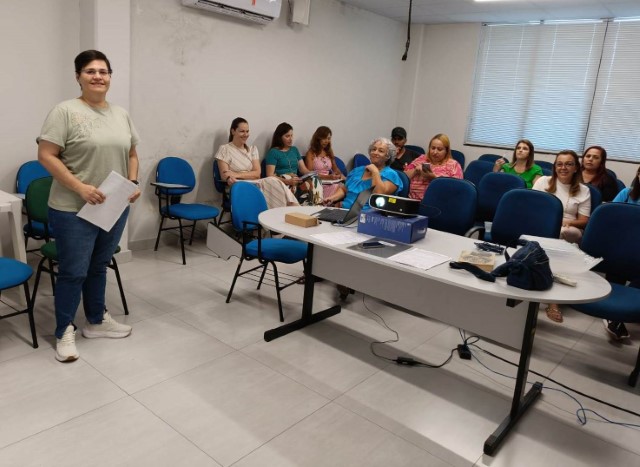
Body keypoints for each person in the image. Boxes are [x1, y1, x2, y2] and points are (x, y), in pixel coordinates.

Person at [37, 50, 139, 362]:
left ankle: (96, 320)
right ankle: (64, 330)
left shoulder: (121, 114)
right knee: (73, 272)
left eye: (103, 71)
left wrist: (132, 182)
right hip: (72, 208)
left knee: (98, 266)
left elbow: (132, 152)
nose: (98, 76)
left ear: (110, 76)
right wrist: (80, 187)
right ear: (78, 77)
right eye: (90, 71)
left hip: (114, 205)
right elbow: (46, 154)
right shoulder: (65, 111)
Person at [532, 150, 591, 323]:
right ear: (554, 166)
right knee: (550, 244)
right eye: (559, 164)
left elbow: (584, 221)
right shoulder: (543, 182)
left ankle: (553, 302)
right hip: (543, 225)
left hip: (570, 230)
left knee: (561, 235)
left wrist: (564, 222)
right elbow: (532, 207)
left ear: (576, 168)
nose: (563, 167)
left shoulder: (583, 190)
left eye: (568, 164)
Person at [215, 117, 298, 209]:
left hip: (255, 182)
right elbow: (224, 175)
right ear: (233, 131)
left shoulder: (252, 149)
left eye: (247, 131)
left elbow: (257, 174)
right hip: (237, 185)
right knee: (271, 182)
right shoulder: (224, 149)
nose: (245, 134)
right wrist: (247, 175)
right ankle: (279, 214)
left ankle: (290, 210)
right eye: (242, 131)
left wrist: (235, 174)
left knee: (273, 180)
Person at [603, 165, 640, 340]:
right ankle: (612, 311)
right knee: (617, 257)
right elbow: (611, 217)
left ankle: (622, 311)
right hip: (622, 242)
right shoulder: (627, 193)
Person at [323, 137, 403, 208]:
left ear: (387, 157)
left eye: (380, 151)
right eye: (373, 149)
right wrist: (332, 198)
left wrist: (375, 172)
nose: (375, 152)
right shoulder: (357, 171)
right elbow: (344, 190)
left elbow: (379, 194)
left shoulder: (392, 175)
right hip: (344, 213)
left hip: (367, 217)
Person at [265, 122, 322, 205]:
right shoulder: (273, 152)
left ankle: (317, 206)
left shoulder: (294, 150)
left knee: (315, 178)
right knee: (290, 179)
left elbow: (303, 169)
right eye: (287, 136)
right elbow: (270, 175)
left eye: (291, 136)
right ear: (279, 137)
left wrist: (313, 174)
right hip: (283, 181)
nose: (291, 139)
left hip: (296, 180)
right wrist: (287, 181)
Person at [404, 133, 463, 201]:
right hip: (412, 201)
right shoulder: (421, 159)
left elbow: (456, 189)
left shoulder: (453, 165)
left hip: (437, 203)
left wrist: (433, 177)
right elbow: (403, 178)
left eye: (439, 149)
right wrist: (415, 171)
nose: (435, 152)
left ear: (446, 151)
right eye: (433, 148)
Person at [304, 126, 344, 199]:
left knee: (346, 186)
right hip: (318, 182)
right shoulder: (311, 153)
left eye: (328, 138)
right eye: (324, 138)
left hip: (330, 181)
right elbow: (310, 174)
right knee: (338, 188)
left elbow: (335, 169)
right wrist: (328, 177)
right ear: (318, 138)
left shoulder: (328, 151)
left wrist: (342, 176)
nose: (326, 141)